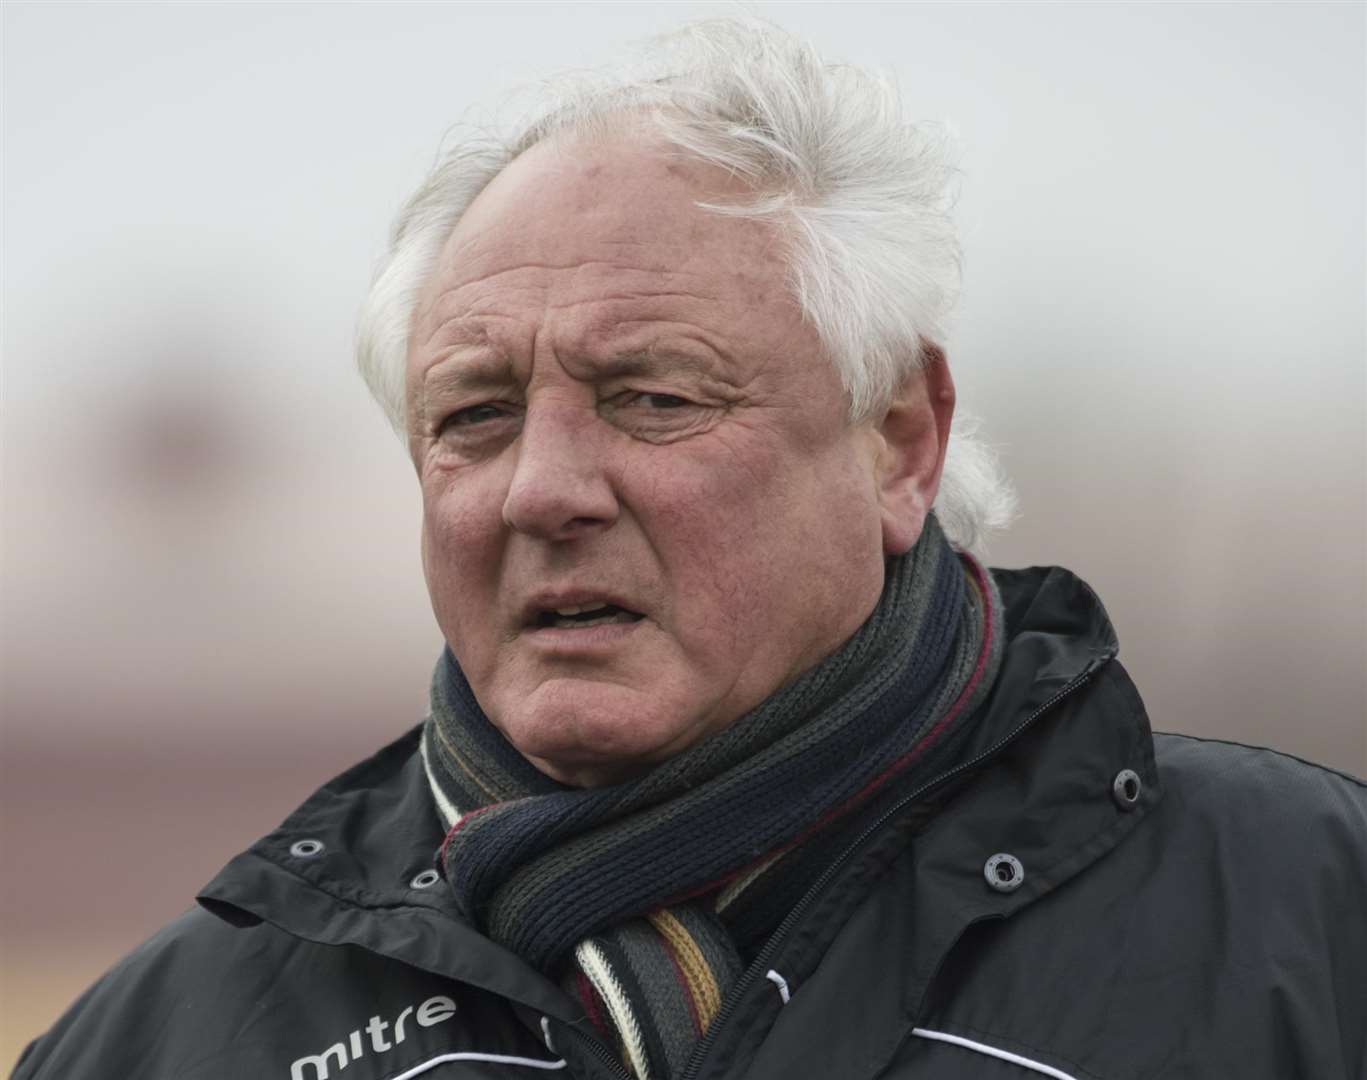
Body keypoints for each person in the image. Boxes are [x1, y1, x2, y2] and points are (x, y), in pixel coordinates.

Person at [14, 18, 1365, 1080]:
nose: (542, 490)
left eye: (654, 398)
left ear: (899, 440)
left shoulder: (1308, 920)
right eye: (473, 418)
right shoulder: (160, 1048)